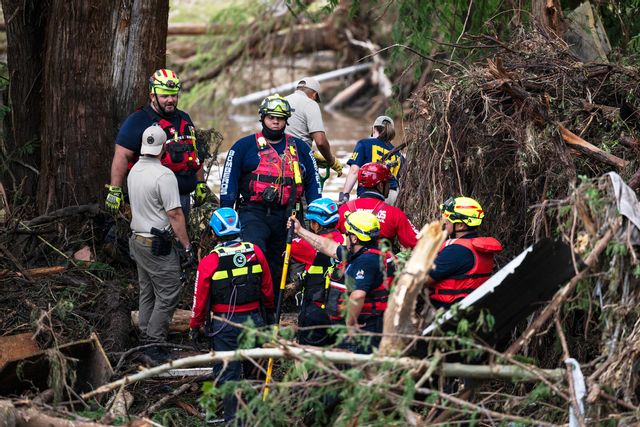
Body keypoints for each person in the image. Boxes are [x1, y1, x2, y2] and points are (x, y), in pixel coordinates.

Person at [219, 94, 321, 298]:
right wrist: (226, 219)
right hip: (254, 213)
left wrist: (317, 216)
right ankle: (250, 304)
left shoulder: (300, 148)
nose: (275, 121)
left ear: (286, 120)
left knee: (278, 265)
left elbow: (313, 185)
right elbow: (228, 184)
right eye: (271, 117)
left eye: (280, 118)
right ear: (263, 118)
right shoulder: (243, 147)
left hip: (287, 217)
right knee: (255, 255)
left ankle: (272, 309)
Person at [189, 207, 274, 423]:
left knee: (228, 376)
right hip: (254, 320)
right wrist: (268, 315)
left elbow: (200, 298)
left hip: (223, 325)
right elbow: (267, 289)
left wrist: (195, 325)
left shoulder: (210, 261)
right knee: (255, 370)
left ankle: (232, 420)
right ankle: (255, 418)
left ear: (214, 233)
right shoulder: (255, 252)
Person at [127, 124, 194, 364]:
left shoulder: (134, 170)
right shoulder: (164, 175)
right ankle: (154, 345)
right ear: (164, 147)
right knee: (168, 294)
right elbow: (175, 215)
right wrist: (186, 246)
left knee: (147, 291)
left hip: (137, 240)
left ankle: (145, 336)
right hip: (157, 244)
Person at [106, 68, 208, 220]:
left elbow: (194, 153)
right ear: (152, 95)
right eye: (165, 96)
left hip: (182, 196)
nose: (170, 100)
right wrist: (115, 189)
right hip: (152, 199)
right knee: (156, 239)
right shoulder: (138, 120)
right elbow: (121, 155)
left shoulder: (185, 118)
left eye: (173, 95)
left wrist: (200, 183)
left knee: (178, 239)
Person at [289, 211, 394, 354]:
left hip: (365, 328)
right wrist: (300, 231)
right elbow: (328, 247)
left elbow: (357, 296)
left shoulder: (366, 261)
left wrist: (350, 324)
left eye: (348, 234)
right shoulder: (368, 253)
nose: (345, 238)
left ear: (355, 239)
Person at [425, 197, 503, 310]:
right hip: (471, 309)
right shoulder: (477, 248)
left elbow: (423, 280)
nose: (445, 221)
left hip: (447, 314)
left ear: (461, 225)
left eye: (449, 218)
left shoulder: (456, 250)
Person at [290, 198, 344, 346]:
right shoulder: (344, 241)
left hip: (316, 309)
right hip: (339, 309)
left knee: (311, 357)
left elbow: (286, 249)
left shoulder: (305, 245)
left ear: (316, 224)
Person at [337, 162, 419, 249]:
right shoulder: (394, 213)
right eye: (387, 183)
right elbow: (417, 243)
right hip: (381, 260)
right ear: (380, 185)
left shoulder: (344, 209)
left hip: (351, 260)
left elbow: (331, 238)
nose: (389, 187)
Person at [285, 77, 343, 177]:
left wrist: (312, 153)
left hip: (277, 157)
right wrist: (331, 160)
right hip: (298, 160)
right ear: (315, 94)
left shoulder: (282, 100)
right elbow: (320, 142)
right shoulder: (310, 104)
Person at [340, 115, 404, 205]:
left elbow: (354, 171)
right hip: (393, 196)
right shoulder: (398, 154)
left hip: (371, 194)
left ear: (374, 129)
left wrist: (345, 195)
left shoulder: (364, 144)